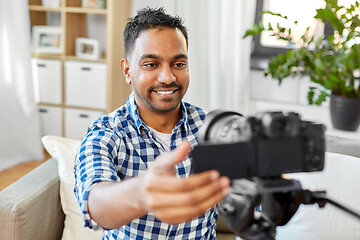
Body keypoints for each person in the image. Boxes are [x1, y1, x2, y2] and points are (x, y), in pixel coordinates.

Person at [74, 7, 230, 239]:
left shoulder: (213, 128)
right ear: (127, 71)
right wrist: (142, 193)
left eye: (178, 64)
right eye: (151, 64)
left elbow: (252, 203)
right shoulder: (106, 133)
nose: (167, 78)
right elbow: (96, 205)